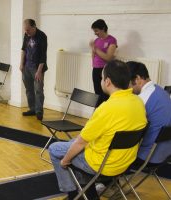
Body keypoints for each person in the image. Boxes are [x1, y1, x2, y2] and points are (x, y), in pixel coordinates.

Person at [48, 60, 147, 200]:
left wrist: (65, 160)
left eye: (101, 78)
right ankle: (88, 192)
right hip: (124, 163)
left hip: (101, 165)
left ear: (107, 81)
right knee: (72, 144)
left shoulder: (106, 108)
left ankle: (72, 194)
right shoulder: (138, 102)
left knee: (54, 149)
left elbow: (81, 143)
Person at [127, 61, 171, 166]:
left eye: (127, 84)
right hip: (166, 152)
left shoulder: (141, 100)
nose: (127, 89)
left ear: (137, 79)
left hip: (148, 156)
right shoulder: (162, 92)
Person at [20, 19, 48, 121]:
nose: (26, 32)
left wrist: (39, 71)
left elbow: (43, 55)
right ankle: (32, 109)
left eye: (28, 30)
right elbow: (23, 49)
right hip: (27, 66)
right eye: (25, 30)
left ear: (34, 27)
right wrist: (21, 64)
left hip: (37, 67)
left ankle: (39, 111)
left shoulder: (42, 36)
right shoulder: (26, 35)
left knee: (38, 90)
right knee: (29, 89)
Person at [90, 19, 117, 107]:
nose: (95, 33)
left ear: (103, 28)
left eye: (96, 30)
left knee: (105, 94)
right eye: (94, 31)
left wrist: (96, 49)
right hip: (96, 69)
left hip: (105, 70)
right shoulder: (96, 40)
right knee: (97, 93)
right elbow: (94, 55)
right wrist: (94, 51)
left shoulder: (112, 40)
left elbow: (108, 57)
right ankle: (98, 113)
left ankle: (106, 113)